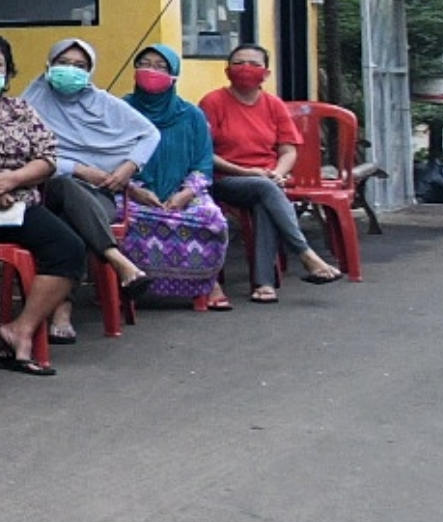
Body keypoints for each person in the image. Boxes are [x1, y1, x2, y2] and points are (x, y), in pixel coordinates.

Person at [0, 31, 86, 375]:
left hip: (19, 200)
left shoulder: (20, 109)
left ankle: (21, 328)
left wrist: (12, 179)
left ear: (7, 73)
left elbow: (48, 157)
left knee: (69, 248)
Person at [21, 36, 158, 341]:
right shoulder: (30, 103)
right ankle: (118, 261)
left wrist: (128, 168)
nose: (70, 70)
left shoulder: (105, 104)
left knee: (71, 223)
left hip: (101, 196)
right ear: (49, 65)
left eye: (79, 66)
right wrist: (80, 168)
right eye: (63, 63)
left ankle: (61, 309)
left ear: (90, 71)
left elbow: (149, 134)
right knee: (68, 185)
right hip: (46, 192)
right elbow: (25, 152)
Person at [200, 42, 344, 301]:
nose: (246, 69)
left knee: (266, 198)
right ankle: (306, 254)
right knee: (268, 189)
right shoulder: (213, 102)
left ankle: (264, 285)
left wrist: (277, 172)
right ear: (227, 70)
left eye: (254, 64)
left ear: (265, 73)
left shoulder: (273, 105)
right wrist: (248, 172)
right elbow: (205, 154)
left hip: (266, 180)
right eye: (239, 63)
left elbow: (288, 151)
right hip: (226, 179)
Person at [120, 44, 233, 309]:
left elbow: (203, 164)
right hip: (129, 191)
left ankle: (206, 283)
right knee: (122, 218)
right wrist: (134, 189)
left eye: (161, 67)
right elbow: (107, 159)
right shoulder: (120, 110)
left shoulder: (191, 115)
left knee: (210, 218)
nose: (151, 71)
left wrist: (186, 193)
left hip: (183, 192)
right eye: (144, 64)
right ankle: (128, 284)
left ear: (174, 75)